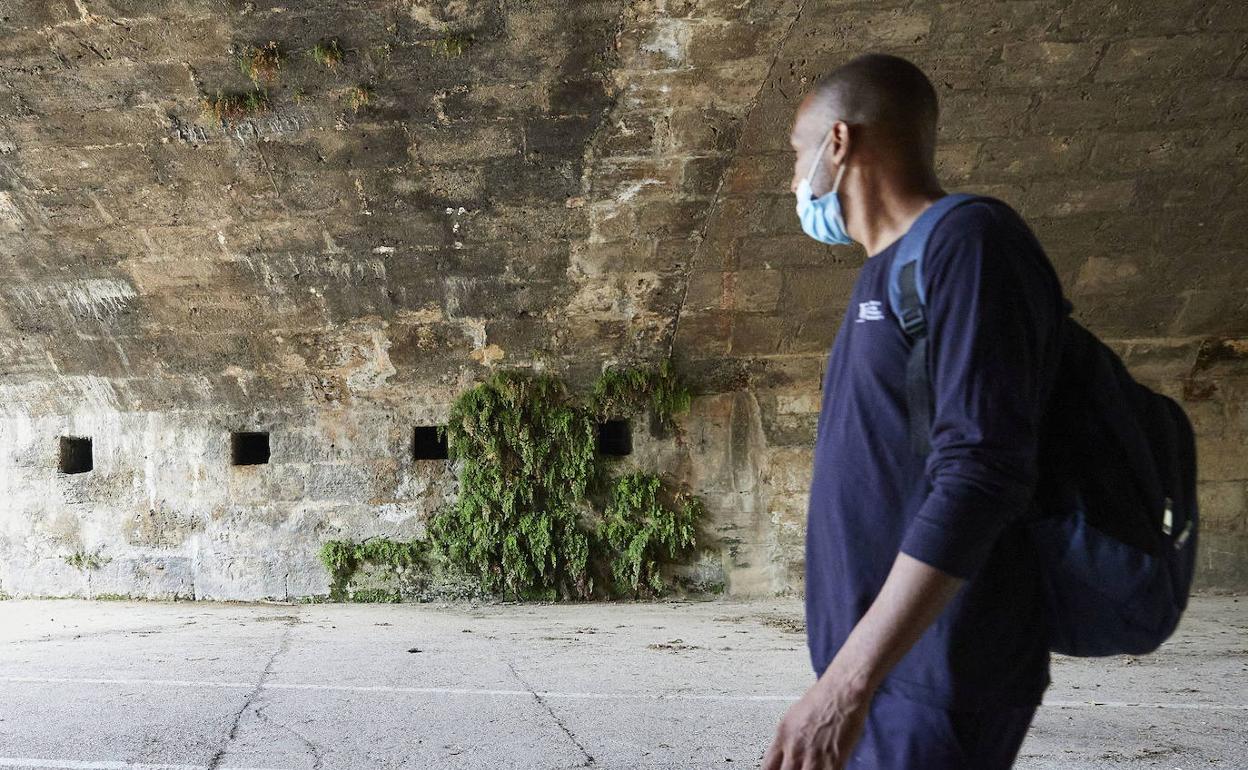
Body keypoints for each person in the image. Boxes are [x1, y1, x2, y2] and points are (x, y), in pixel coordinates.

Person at [762, 53, 1068, 769]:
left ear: (838, 144)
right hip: (891, 678)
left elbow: (980, 473)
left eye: (796, 153)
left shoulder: (969, 244)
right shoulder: (887, 269)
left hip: (935, 672)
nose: (793, 179)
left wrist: (846, 683)